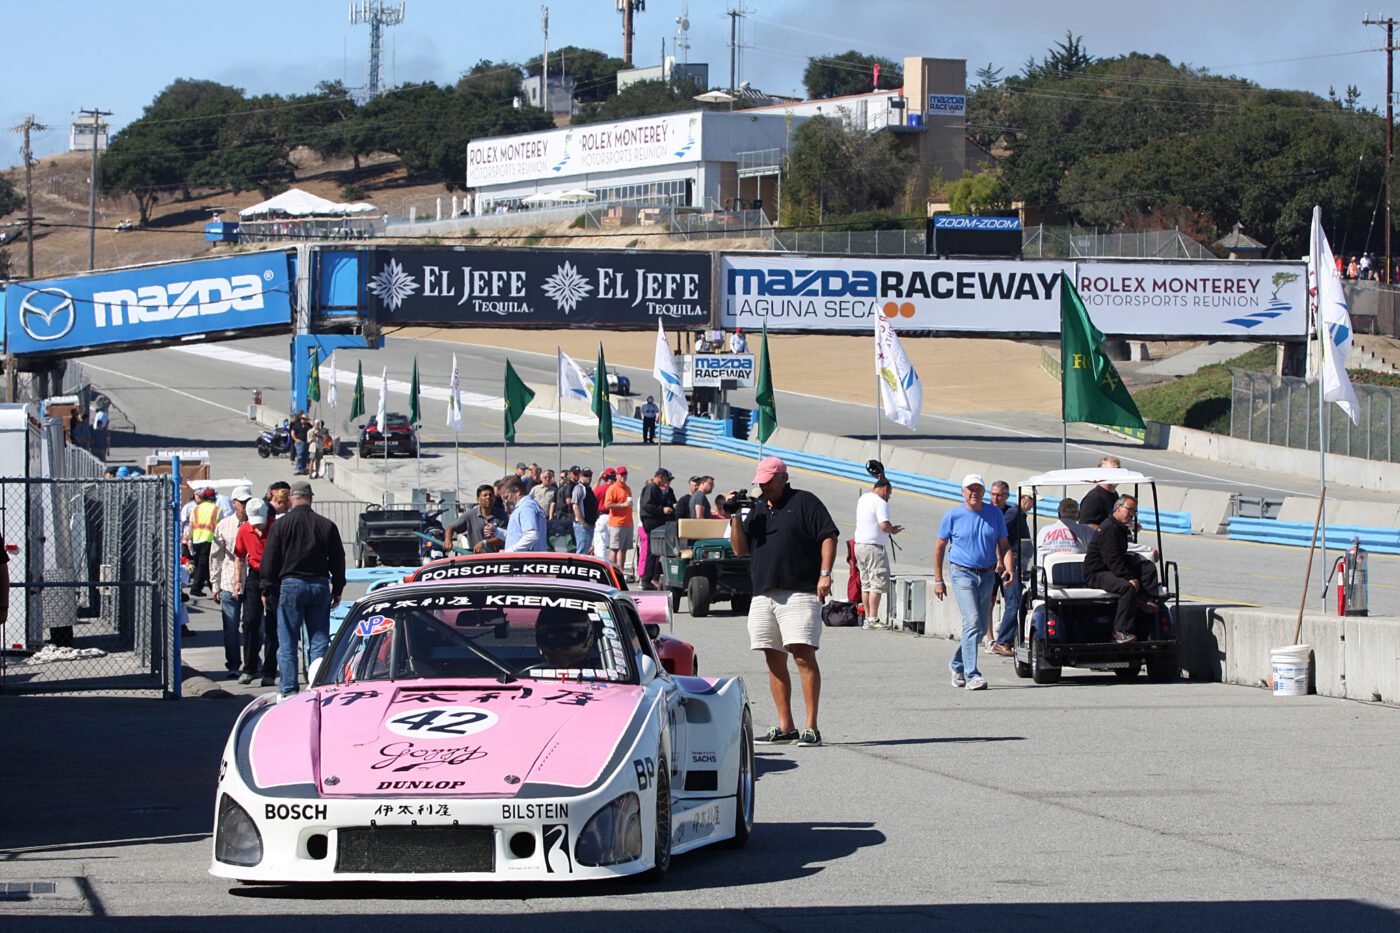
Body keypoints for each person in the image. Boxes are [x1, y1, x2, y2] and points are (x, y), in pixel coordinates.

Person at [730, 456, 838, 748]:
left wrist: (825, 574)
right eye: (761, 482)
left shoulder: (805, 502)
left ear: (783, 478)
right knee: (772, 656)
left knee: (803, 655)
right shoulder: (757, 509)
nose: (764, 486)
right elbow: (739, 549)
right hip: (763, 592)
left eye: (768, 481)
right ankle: (785, 726)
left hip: (799, 591)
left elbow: (828, 536)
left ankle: (811, 727)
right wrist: (734, 515)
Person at [260, 480, 346, 699]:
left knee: (287, 641)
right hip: (319, 585)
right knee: (319, 641)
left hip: (290, 585)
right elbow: (338, 559)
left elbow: (269, 560)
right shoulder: (326, 525)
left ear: (291, 498)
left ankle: (289, 689)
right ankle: (318, 686)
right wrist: (337, 588)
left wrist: (267, 589)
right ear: (311, 498)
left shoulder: (280, 525)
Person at [932, 474, 1013, 692]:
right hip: (962, 572)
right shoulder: (953, 515)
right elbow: (939, 547)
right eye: (970, 489)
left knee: (980, 628)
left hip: (987, 574)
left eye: (978, 489)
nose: (974, 493)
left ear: (983, 492)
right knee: (973, 620)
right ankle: (972, 675)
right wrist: (938, 579)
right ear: (963, 492)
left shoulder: (995, 514)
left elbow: (1004, 544)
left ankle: (957, 664)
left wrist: (1009, 568)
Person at [1083, 495, 1160, 644]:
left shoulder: (1120, 528)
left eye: (1134, 512)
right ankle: (1120, 631)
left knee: (1146, 565)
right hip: (1097, 572)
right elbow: (1112, 559)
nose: (1132, 514)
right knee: (1127, 587)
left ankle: (1146, 599)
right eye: (1129, 510)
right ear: (1118, 508)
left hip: (1110, 567)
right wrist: (1129, 578)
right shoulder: (1108, 528)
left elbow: (1121, 555)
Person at [209, 486, 252, 677]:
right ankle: (234, 664)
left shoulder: (256, 524)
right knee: (230, 627)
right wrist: (215, 584)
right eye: (242, 502)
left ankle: (252, 662)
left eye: (248, 501)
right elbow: (216, 555)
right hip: (228, 582)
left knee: (253, 626)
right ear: (234, 503)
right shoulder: (224, 525)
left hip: (251, 582)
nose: (245, 506)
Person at [234, 497, 277, 686]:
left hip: (274, 575)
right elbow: (239, 556)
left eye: (260, 523)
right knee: (250, 621)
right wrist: (237, 580)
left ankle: (269, 671)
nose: (258, 528)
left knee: (272, 623)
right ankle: (250, 667)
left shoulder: (276, 528)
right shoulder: (245, 530)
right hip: (255, 575)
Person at [989, 480, 1030, 657]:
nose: (995, 498)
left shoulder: (1014, 513)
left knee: (1013, 601)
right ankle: (1001, 641)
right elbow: (997, 537)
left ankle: (1007, 640)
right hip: (1005, 563)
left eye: (999, 495)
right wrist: (1000, 560)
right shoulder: (1013, 513)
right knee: (1012, 601)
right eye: (993, 494)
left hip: (1010, 563)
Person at [854, 477, 901, 627]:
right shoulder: (880, 502)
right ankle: (873, 618)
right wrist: (893, 530)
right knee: (876, 583)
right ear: (885, 489)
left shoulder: (863, 498)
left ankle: (868, 618)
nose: (888, 498)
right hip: (874, 547)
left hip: (859, 545)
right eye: (889, 494)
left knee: (866, 583)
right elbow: (884, 525)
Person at [639, 468, 678, 590]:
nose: (667, 481)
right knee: (652, 552)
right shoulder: (652, 487)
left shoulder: (658, 489)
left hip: (656, 522)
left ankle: (652, 577)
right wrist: (662, 509)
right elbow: (647, 505)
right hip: (652, 522)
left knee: (655, 552)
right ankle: (647, 579)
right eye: (666, 478)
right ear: (660, 477)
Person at [444, 484, 507, 553]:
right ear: (478, 500)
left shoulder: (502, 515)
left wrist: (485, 543)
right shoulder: (470, 515)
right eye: (485, 495)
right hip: (476, 557)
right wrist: (448, 540)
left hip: (497, 557)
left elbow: (505, 537)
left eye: (490, 495)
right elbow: (451, 527)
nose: (488, 497)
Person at [187, 488, 221, 598]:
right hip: (209, 539)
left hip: (196, 539)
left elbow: (191, 526)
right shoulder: (217, 509)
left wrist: (189, 539)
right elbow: (220, 526)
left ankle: (212, 587)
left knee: (203, 565)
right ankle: (196, 588)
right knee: (204, 564)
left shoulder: (195, 509)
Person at [501, 475, 548, 552]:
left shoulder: (526, 507)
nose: (506, 502)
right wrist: (496, 532)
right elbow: (516, 535)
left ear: (517, 491)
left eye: (507, 497)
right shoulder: (525, 506)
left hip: (526, 558)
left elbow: (532, 536)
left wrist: (509, 552)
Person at [603, 467, 634, 572]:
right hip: (617, 523)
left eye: (625, 474)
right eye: (621, 474)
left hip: (628, 522)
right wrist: (622, 505)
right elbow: (607, 505)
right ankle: (611, 571)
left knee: (624, 549)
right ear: (616, 476)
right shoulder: (612, 488)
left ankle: (620, 571)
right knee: (615, 548)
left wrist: (628, 505)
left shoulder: (627, 488)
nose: (623, 476)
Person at [1079, 456, 1122, 528]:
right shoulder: (1093, 498)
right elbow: (1085, 525)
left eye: (1119, 470)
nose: (1117, 474)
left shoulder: (1114, 495)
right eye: (1112, 471)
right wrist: (1107, 532)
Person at [571, 467, 599, 555]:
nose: (588, 477)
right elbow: (575, 506)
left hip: (590, 524)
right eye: (586, 475)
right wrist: (583, 523)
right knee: (582, 551)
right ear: (580, 476)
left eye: (590, 475)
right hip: (582, 525)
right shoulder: (579, 488)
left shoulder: (588, 489)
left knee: (586, 550)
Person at [592, 469, 616, 559]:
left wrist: (598, 480)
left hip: (602, 517)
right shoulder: (616, 489)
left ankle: (600, 562)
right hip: (614, 518)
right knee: (612, 545)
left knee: (600, 544)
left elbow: (592, 498)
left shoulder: (600, 489)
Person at [289, 411, 311, 476]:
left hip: (306, 442)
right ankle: (298, 468)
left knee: (305, 455)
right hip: (300, 442)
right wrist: (295, 439)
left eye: (305, 419)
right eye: (303, 419)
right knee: (300, 455)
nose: (304, 420)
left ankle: (303, 468)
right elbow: (292, 432)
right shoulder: (297, 425)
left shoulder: (308, 425)